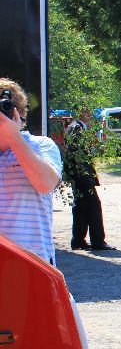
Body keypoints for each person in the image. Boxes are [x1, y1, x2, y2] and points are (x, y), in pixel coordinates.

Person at [0, 77, 61, 265]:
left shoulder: (41, 145)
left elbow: (45, 183)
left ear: (15, 113)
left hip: (32, 268)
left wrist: (14, 138)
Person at [65, 107, 114, 251]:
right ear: (83, 114)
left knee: (80, 207)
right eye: (89, 113)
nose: (91, 117)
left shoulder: (75, 127)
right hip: (82, 175)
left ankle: (78, 240)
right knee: (93, 205)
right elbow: (78, 155)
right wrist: (85, 175)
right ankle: (98, 240)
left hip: (78, 174)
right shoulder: (77, 128)